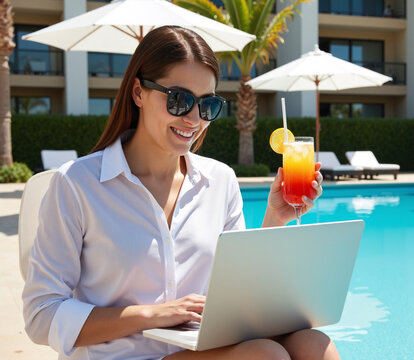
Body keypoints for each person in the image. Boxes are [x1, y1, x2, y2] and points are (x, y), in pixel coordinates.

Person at [22, 26, 339, 360]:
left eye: (207, 105)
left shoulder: (220, 180)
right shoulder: (77, 184)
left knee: (314, 344)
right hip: (120, 356)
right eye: (179, 99)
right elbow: (41, 315)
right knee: (266, 356)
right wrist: (151, 315)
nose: (193, 118)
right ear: (138, 92)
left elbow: (237, 292)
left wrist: (276, 218)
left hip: (199, 351)